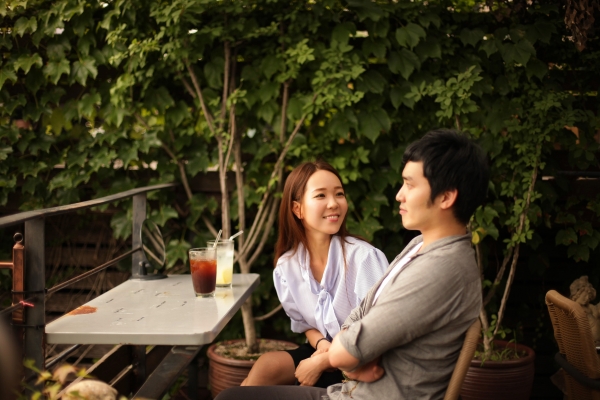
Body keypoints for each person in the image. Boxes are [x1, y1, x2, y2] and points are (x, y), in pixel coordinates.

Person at [215, 128, 489, 400]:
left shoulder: (437, 270)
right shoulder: (419, 247)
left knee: (231, 398)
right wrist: (337, 349)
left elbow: (355, 345)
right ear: (297, 209)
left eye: (410, 184)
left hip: (363, 392)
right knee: (252, 380)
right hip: (353, 384)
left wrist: (340, 354)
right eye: (320, 195)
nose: (399, 195)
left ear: (446, 197)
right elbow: (362, 314)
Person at [241, 160, 389, 388]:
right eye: (321, 195)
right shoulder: (287, 267)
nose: (334, 203)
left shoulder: (365, 259)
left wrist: (322, 362)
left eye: (339, 194)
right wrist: (322, 345)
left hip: (365, 364)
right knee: (265, 367)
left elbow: (380, 332)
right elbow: (305, 325)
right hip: (323, 350)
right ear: (297, 209)